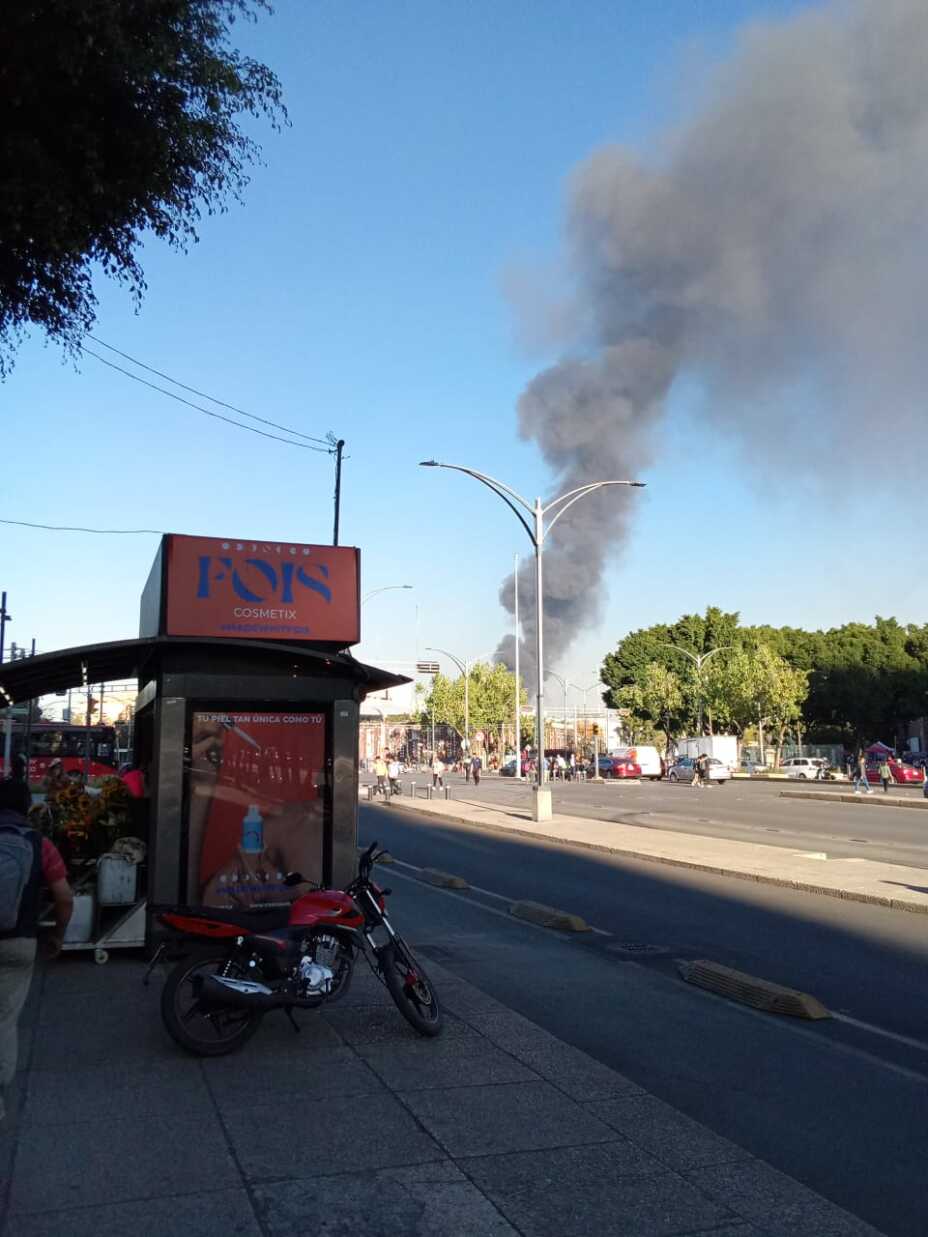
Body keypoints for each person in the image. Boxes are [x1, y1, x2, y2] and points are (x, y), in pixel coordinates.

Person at [0, 779, 73, 1122]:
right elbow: (64, 897)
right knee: (4, 1021)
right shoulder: (39, 844)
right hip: (20, 942)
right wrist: (58, 935)